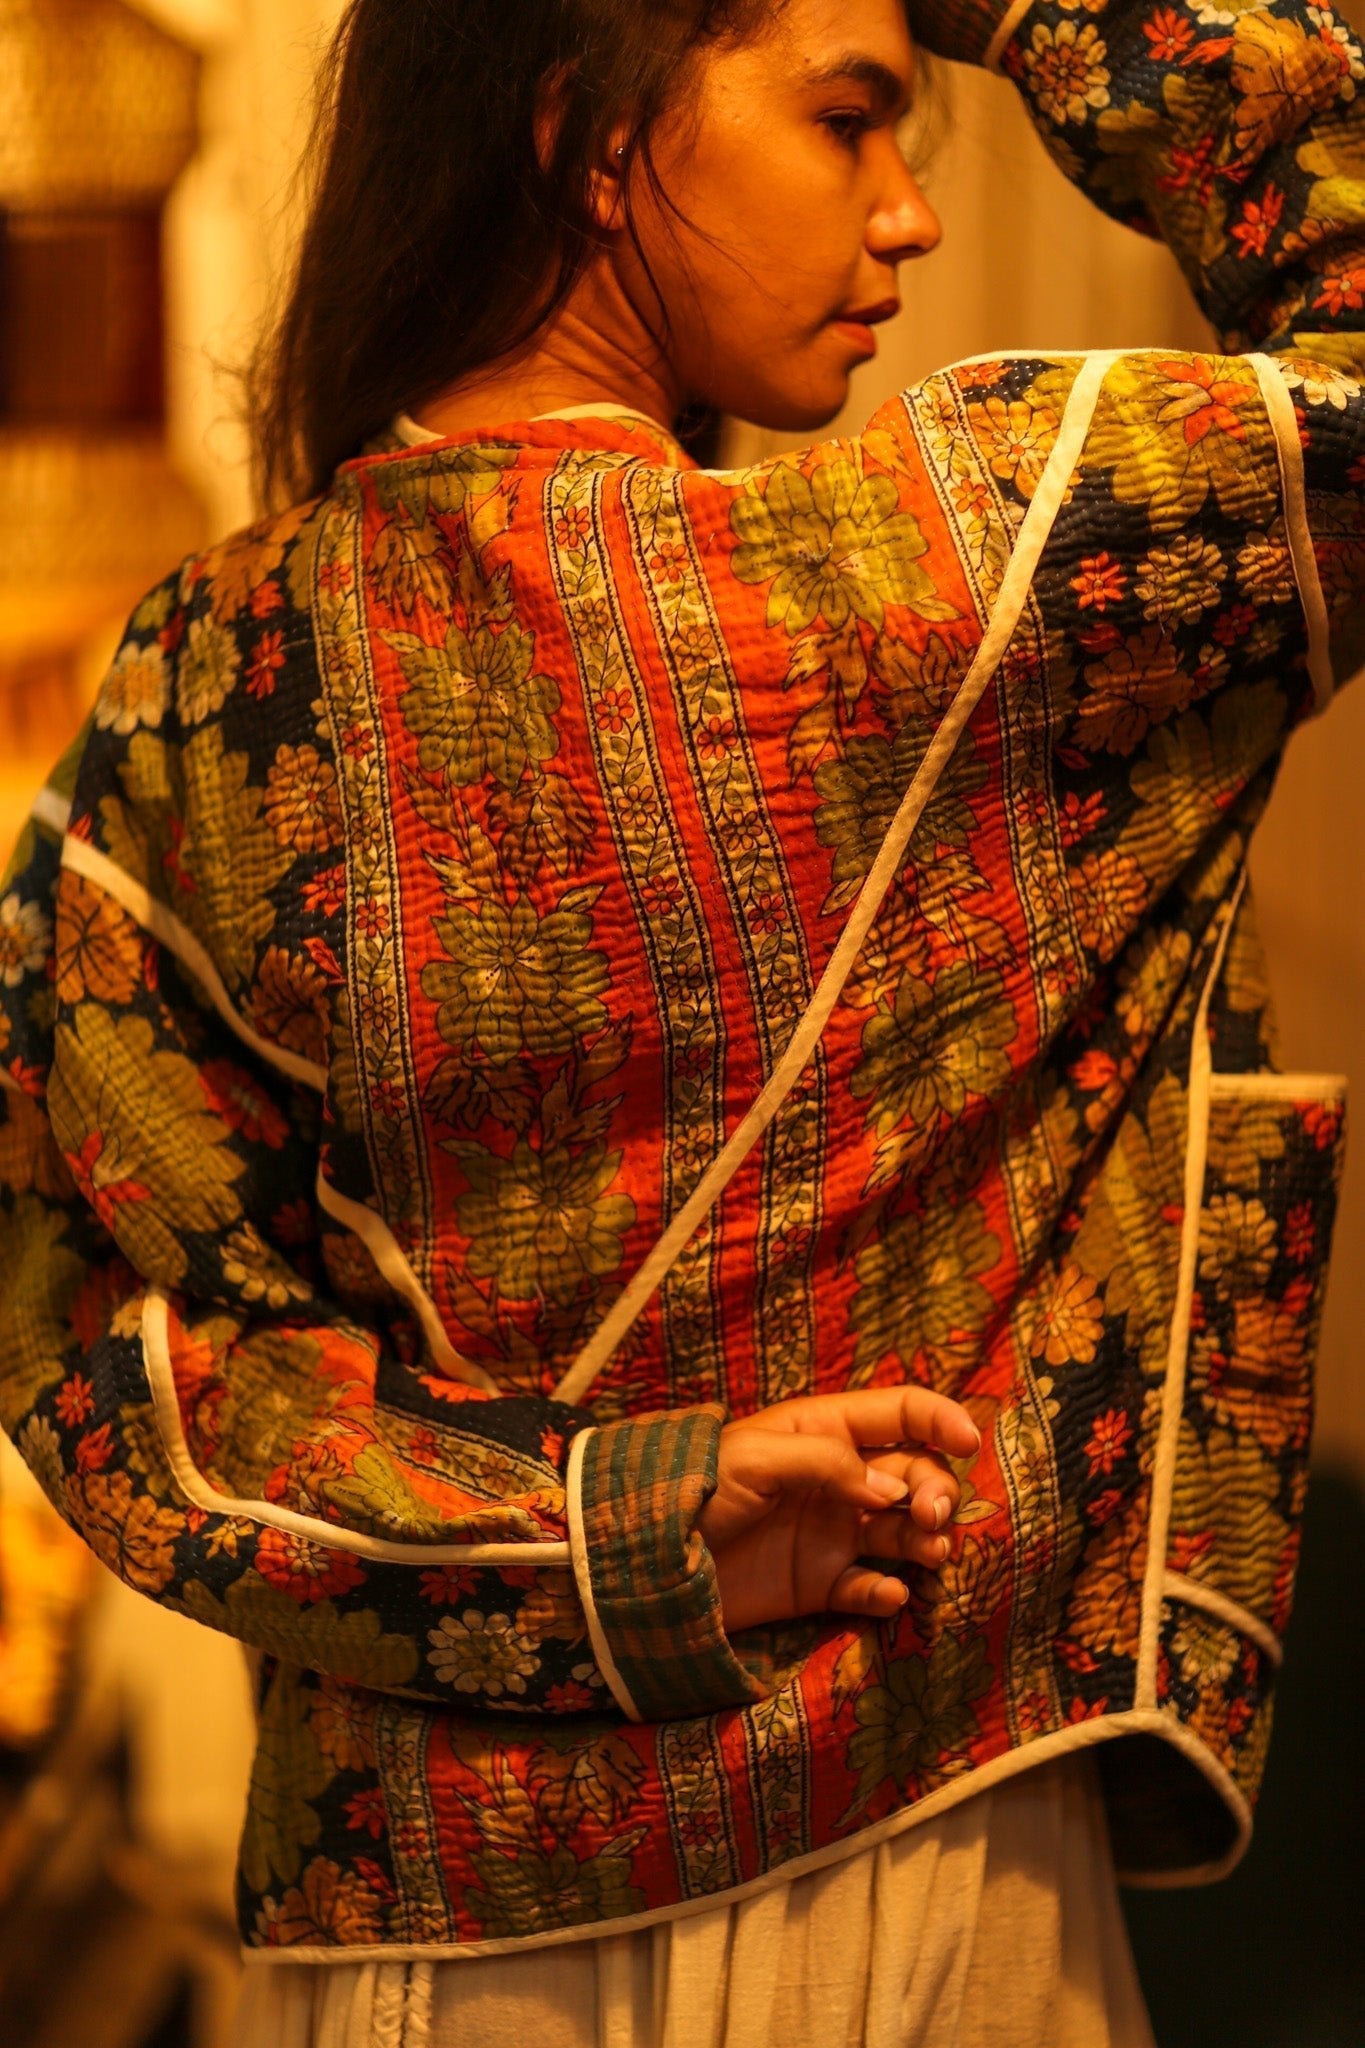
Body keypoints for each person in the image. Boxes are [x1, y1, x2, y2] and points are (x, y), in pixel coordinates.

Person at [0, 0, 1360, 2040]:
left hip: (423, 1933)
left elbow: (113, 1349)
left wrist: (605, 1537)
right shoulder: (963, 579)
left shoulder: (207, 670)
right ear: (590, 139)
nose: (905, 213)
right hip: (921, 1854)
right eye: (846, 117)